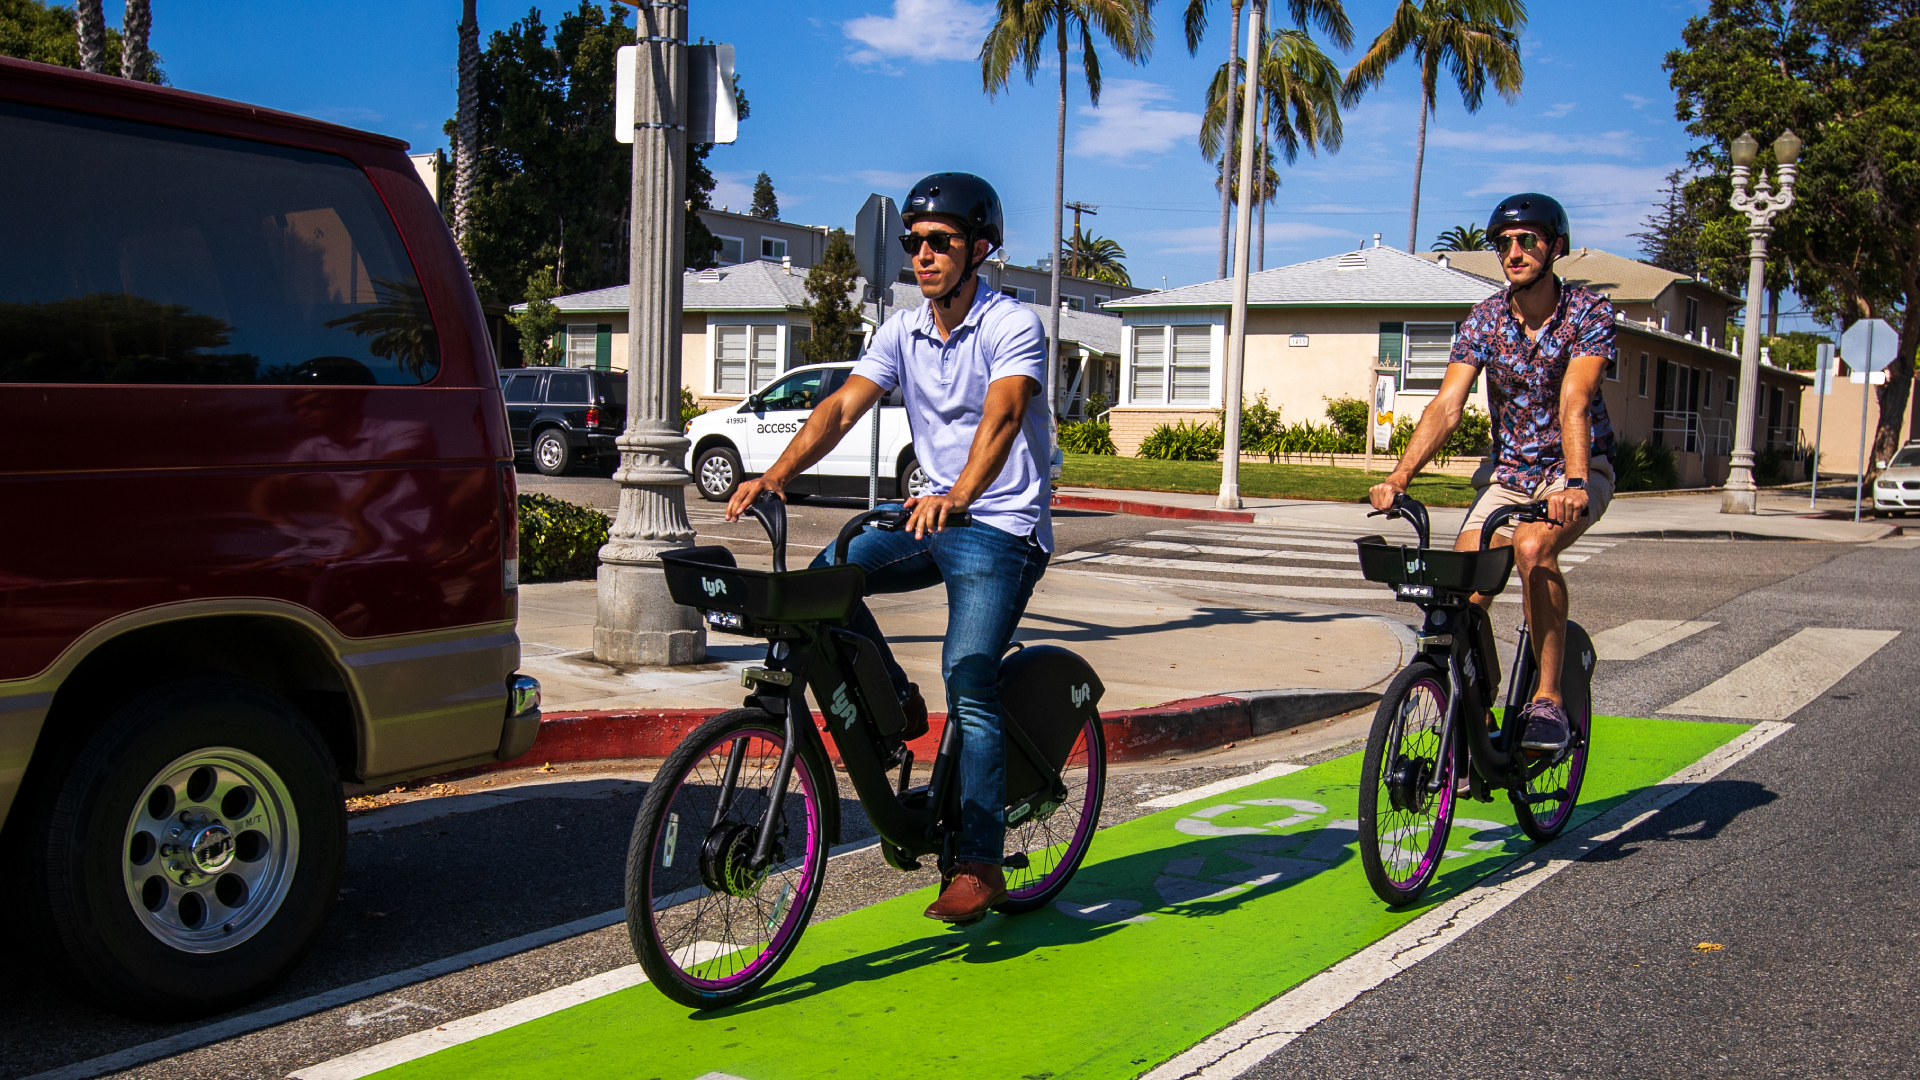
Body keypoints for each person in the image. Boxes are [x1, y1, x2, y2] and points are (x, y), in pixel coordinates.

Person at [725, 172, 1052, 923]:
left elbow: (1002, 418)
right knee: (824, 582)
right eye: (914, 242)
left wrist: (959, 494)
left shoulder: (1012, 325)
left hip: (998, 526)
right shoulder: (904, 330)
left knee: (969, 676)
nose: (924, 254)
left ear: (980, 248)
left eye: (940, 241)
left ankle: (979, 860)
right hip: (930, 517)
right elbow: (841, 405)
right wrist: (774, 476)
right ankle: (891, 706)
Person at [1369, 192, 1616, 754]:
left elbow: (1575, 398)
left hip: (1574, 468)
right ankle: (1473, 712)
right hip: (1509, 473)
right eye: (1503, 242)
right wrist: (1400, 476)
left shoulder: (1587, 313)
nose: (1514, 251)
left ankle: (1548, 701)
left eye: (1527, 239)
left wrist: (1575, 485)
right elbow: (1447, 404)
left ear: (1555, 246)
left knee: (1532, 549)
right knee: (1461, 590)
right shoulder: (1486, 318)